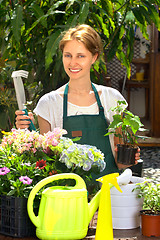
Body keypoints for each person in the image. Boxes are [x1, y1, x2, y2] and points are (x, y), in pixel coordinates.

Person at [15, 24, 140, 176]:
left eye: (81, 56)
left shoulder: (112, 99)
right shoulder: (49, 103)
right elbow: (45, 161)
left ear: (94, 57)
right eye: (68, 55)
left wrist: (130, 156)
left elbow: (120, 163)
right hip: (66, 193)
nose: (73, 63)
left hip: (108, 190)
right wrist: (27, 130)